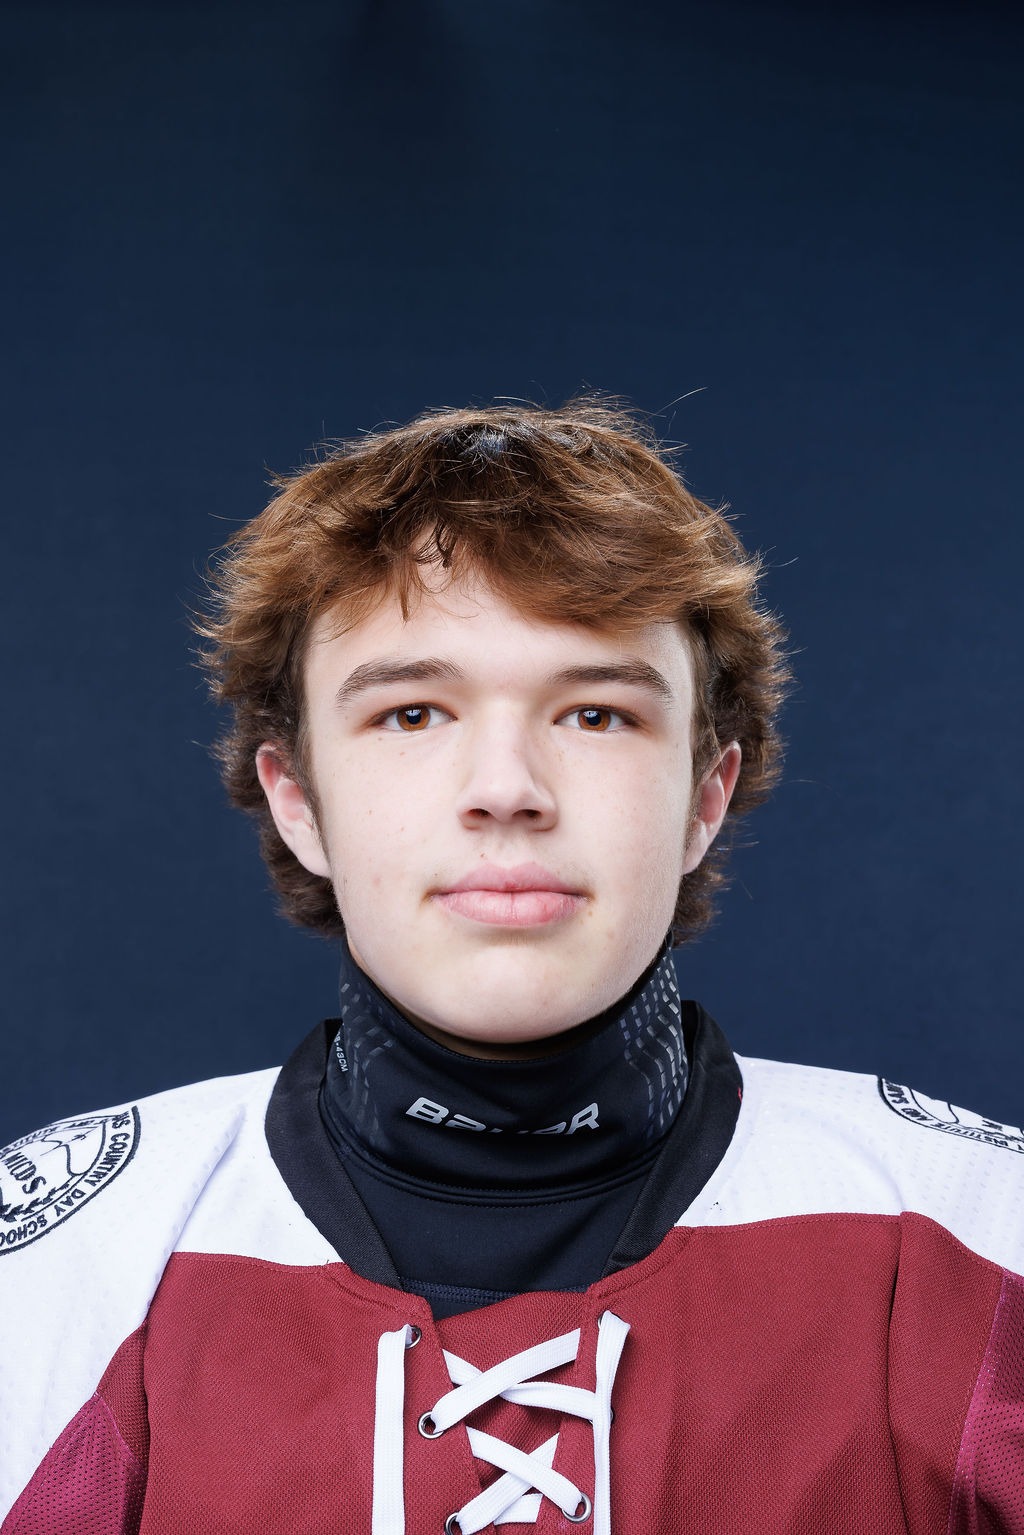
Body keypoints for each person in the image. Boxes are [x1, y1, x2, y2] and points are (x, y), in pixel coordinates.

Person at [2, 400, 1022, 1535]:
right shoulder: (69, 1261)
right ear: (298, 801)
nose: (506, 787)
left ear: (704, 796)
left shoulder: (977, 1231)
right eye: (411, 713)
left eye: (595, 713)